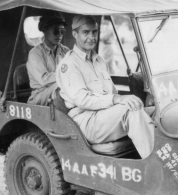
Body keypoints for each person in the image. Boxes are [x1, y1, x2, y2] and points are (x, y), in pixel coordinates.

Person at [56, 15, 154, 159]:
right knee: (130, 110)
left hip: (104, 115)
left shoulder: (99, 61)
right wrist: (117, 99)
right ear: (75, 34)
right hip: (85, 120)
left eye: (94, 32)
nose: (91, 37)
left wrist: (119, 99)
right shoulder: (69, 64)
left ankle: (168, 159)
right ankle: (154, 165)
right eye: (86, 32)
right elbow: (82, 100)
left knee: (156, 111)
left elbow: (112, 91)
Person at [26, 11, 69, 106]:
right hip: (40, 96)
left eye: (62, 31)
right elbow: (44, 79)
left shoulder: (66, 51)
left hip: (58, 90)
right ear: (45, 30)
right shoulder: (35, 54)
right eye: (56, 31)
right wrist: (68, 76)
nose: (60, 35)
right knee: (63, 87)